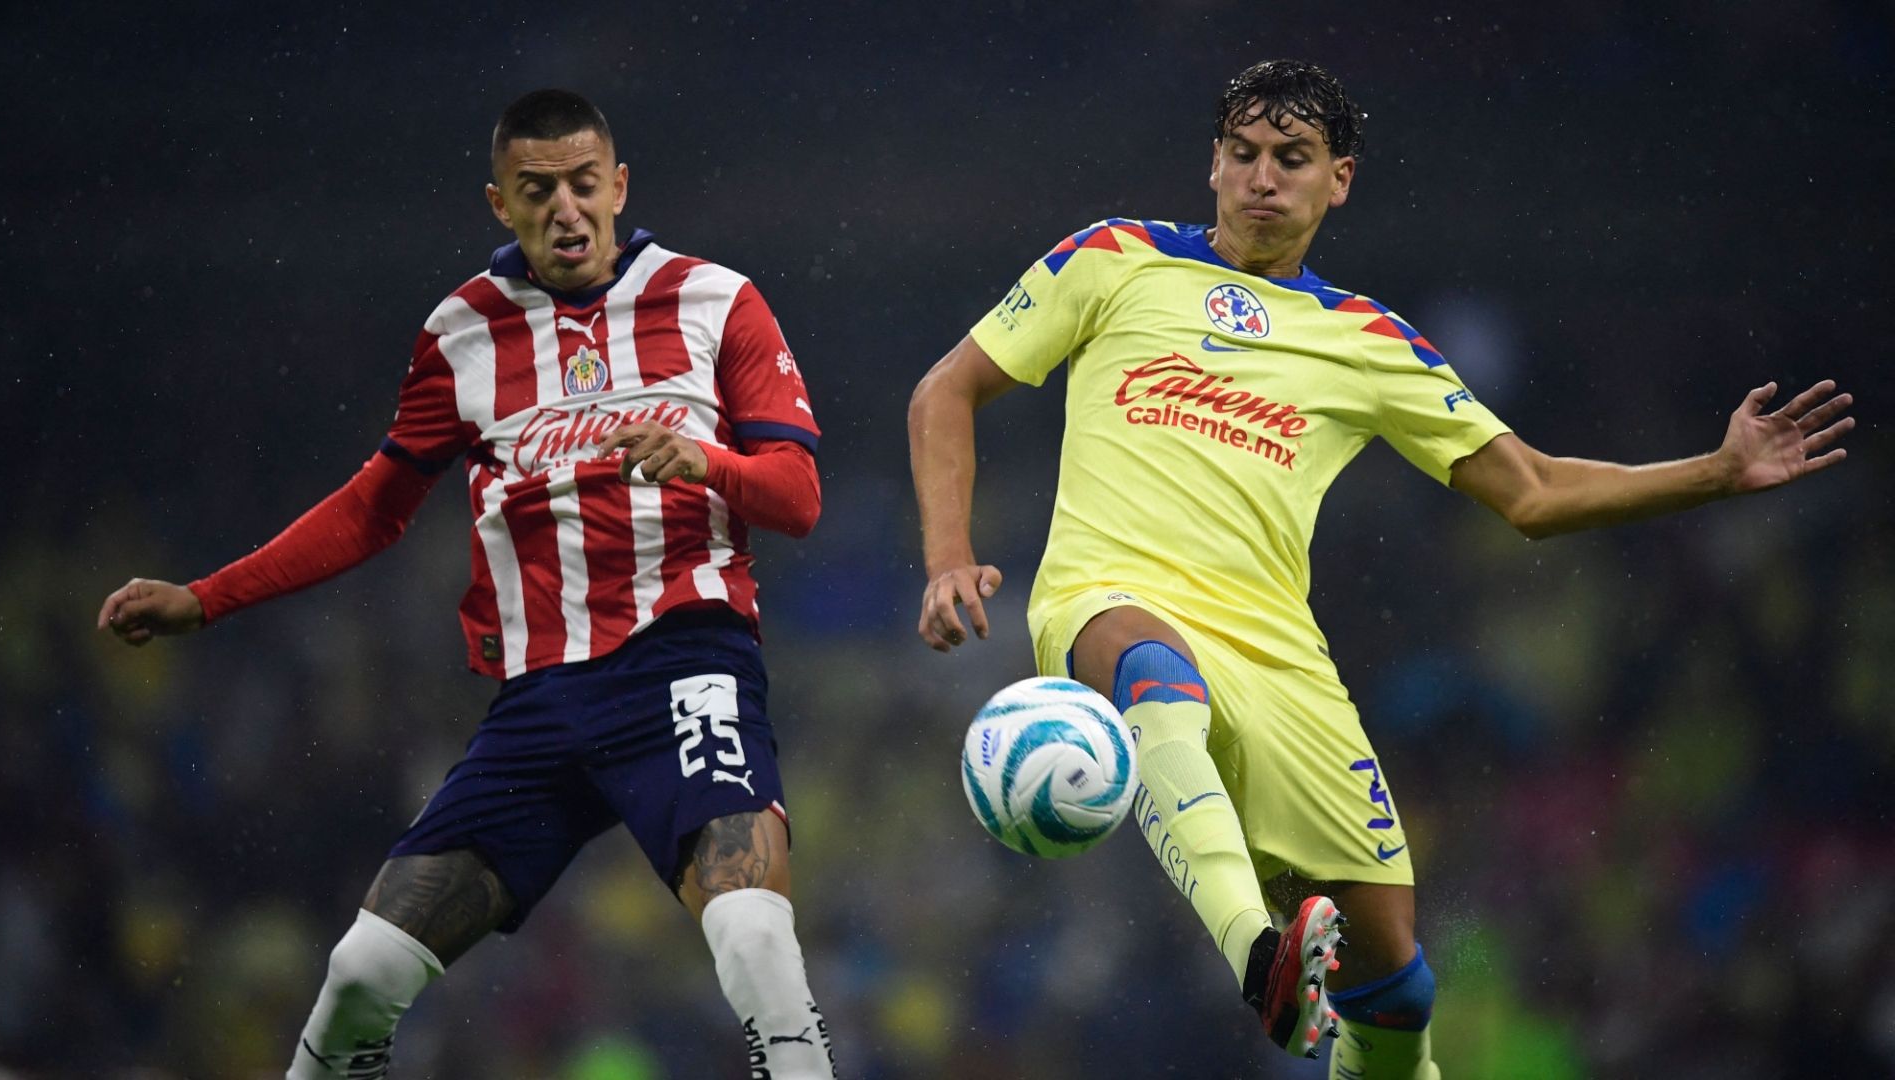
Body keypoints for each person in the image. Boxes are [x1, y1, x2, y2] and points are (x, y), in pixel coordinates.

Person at [907, 59, 1853, 1078]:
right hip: (1110, 595)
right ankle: (1254, 952)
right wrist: (949, 556)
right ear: (1214, 166)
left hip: (1278, 654)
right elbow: (945, 392)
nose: (1263, 177)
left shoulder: (1367, 341)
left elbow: (1529, 490)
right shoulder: (1112, 259)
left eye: (1292, 158)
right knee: (1152, 672)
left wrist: (1712, 473)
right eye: (1244, 154)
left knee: (1393, 984)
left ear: (1338, 179)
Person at [97, 90, 837, 1079]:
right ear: (501, 203)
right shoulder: (462, 334)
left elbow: (797, 497)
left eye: (584, 186)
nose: (566, 210)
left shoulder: (715, 300)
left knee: (751, 936)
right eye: (538, 192)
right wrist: (206, 596)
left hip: (685, 668)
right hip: (539, 710)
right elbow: (375, 508)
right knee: (361, 972)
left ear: (619, 187)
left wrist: (704, 462)